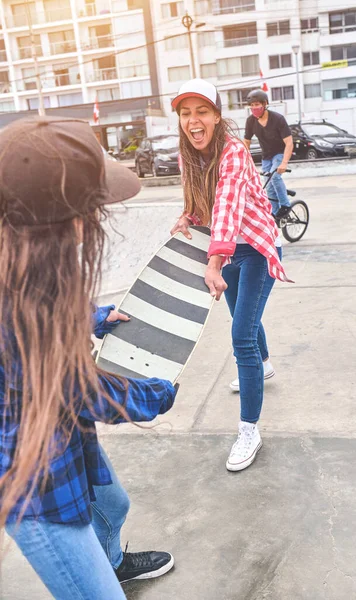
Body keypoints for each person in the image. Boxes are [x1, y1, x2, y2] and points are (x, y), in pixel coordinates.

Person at [0, 116, 178, 599]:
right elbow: (83, 391)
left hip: (62, 438)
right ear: (56, 220)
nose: (89, 223)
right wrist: (156, 394)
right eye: (86, 211)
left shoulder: (23, 259)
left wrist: (95, 317)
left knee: (112, 506)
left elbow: (54, 317)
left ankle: (113, 561)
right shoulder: (15, 300)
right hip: (35, 484)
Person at [170, 79, 291, 472]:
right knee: (247, 324)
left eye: (202, 111)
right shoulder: (189, 155)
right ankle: (265, 363)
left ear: (218, 116)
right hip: (230, 252)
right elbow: (201, 200)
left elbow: (225, 207)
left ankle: (249, 430)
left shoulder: (234, 151)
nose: (194, 121)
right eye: (186, 114)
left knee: (241, 336)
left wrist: (214, 260)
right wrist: (187, 216)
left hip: (255, 249)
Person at [244, 89, 294, 218]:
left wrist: (284, 163)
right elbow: (246, 142)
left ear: (265, 104)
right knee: (268, 184)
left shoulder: (277, 119)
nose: (254, 108)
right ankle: (276, 212)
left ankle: (285, 205)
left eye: (257, 105)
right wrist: (244, 161)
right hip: (266, 156)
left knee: (275, 177)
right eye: (252, 105)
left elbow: (289, 142)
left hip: (279, 153)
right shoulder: (251, 121)